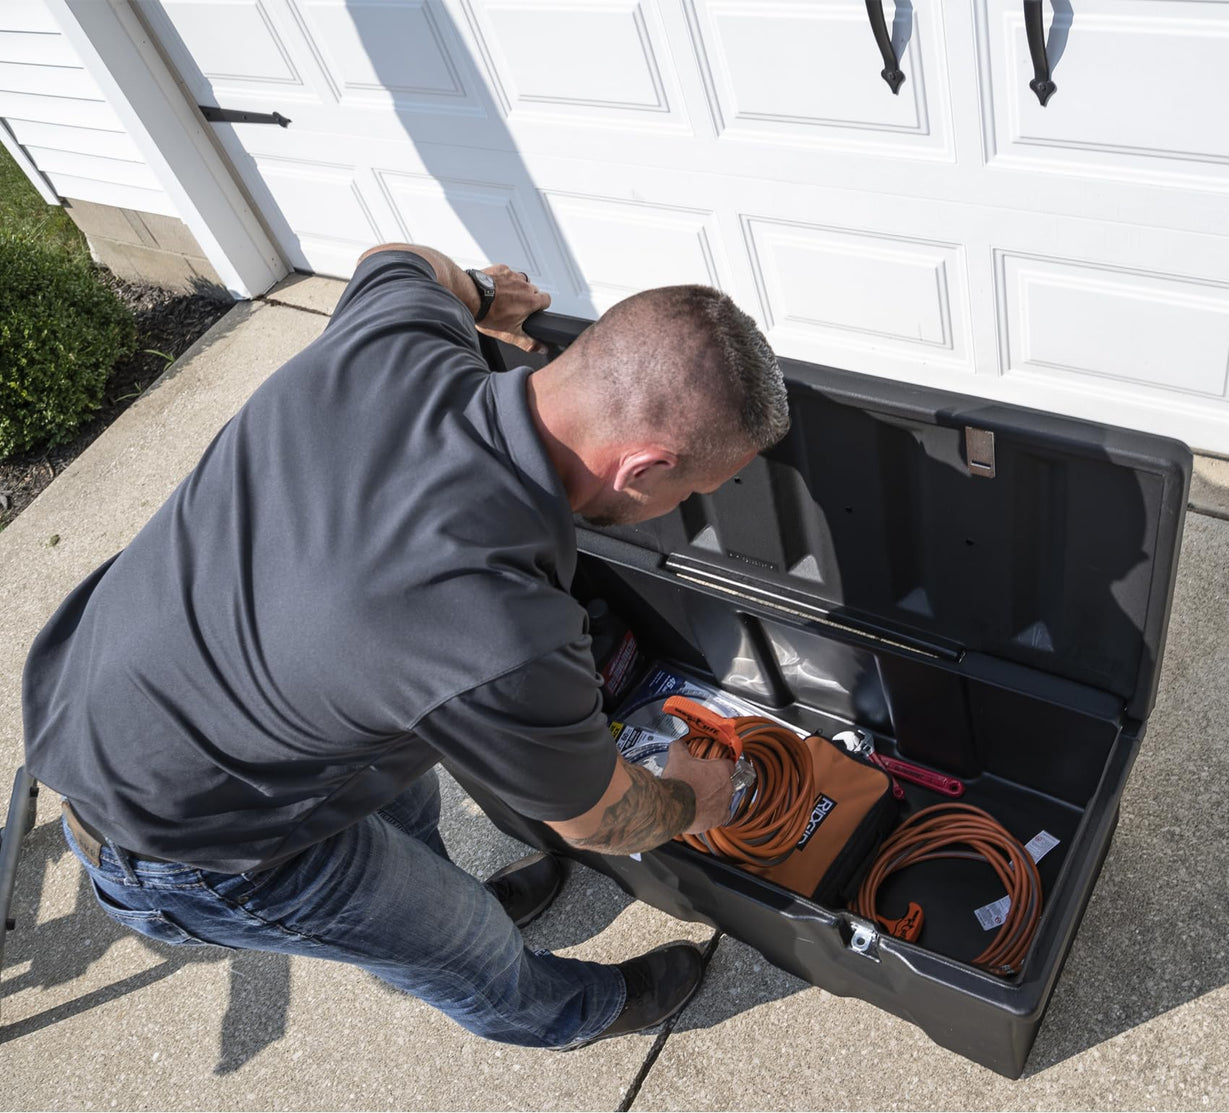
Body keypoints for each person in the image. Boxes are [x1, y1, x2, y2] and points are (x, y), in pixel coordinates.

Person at [21, 243, 791, 1051]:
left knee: (409, 816)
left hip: (132, 690)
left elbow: (399, 258)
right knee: (460, 945)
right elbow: (600, 821)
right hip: (192, 842)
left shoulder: (395, 340)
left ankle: (439, 903)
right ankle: (572, 1012)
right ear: (643, 467)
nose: (686, 506)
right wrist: (694, 796)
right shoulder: (497, 625)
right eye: (692, 491)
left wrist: (487, 293)